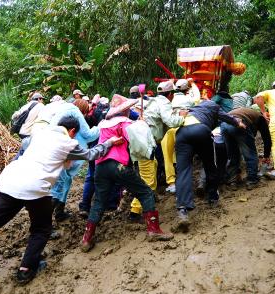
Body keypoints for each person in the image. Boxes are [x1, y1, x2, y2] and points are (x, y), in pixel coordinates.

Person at [0, 116, 123, 292]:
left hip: (9, 181)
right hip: (35, 188)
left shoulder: (39, 134)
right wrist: (111, 142)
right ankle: (26, 268)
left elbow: (26, 152)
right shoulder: (68, 142)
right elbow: (90, 154)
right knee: (41, 228)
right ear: (72, 131)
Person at [80, 94, 173, 252]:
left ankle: (87, 239)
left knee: (99, 202)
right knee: (145, 193)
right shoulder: (125, 123)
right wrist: (142, 125)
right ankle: (153, 230)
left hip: (101, 167)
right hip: (118, 165)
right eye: (128, 109)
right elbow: (139, 142)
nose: (130, 111)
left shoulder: (103, 124)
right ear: (124, 111)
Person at [174, 99, 246, 232]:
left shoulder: (193, 109)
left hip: (181, 134)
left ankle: (183, 210)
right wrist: (239, 123)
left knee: (183, 171)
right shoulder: (213, 106)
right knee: (210, 164)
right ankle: (212, 198)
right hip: (201, 130)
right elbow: (227, 118)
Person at [129, 81, 187, 221]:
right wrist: (182, 116)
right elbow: (171, 121)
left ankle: (138, 208)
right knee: (148, 180)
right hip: (146, 143)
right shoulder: (164, 102)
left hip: (141, 142)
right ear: (171, 94)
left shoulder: (151, 101)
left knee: (150, 172)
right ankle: (136, 212)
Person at [48, 99, 100, 221]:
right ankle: (45, 223)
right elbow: (88, 134)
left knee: (65, 181)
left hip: (57, 150)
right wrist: (100, 127)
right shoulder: (75, 111)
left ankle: (59, 212)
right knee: (59, 185)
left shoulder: (61, 110)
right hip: (65, 153)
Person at [161, 79, 198, 193]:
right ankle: (184, 181)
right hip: (183, 129)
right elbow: (197, 98)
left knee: (168, 156)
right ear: (187, 90)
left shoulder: (168, 100)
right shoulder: (188, 99)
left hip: (169, 131)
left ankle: (171, 183)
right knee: (184, 156)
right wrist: (193, 84)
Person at [221, 107, 272, 189]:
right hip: (239, 123)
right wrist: (266, 156)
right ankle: (252, 181)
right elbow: (267, 139)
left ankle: (232, 181)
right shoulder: (261, 118)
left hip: (224, 124)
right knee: (250, 154)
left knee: (232, 154)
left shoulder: (249, 113)